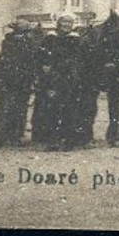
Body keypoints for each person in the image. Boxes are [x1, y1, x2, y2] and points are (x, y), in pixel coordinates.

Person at [31, 12, 87, 150]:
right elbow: (42, 54)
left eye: (69, 22)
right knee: (51, 109)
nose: (66, 25)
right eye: (64, 22)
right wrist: (44, 65)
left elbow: (80, 58)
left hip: (70, 78)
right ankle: (52, 140)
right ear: (58, 23)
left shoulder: (76, 39)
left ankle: (69, 140)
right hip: (52, 78)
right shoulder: (50, 38)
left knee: (70, 109)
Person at [90, 12, 119, 145]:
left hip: (118, 67)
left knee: (115, 100)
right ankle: (86, 132)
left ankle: (114, 134)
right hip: (99, 66)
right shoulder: (99, 35)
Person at [0, 19, 39, 146]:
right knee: (9, 107)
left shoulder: (27, 42)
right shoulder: (10, 41)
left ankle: (13, 135)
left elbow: (32, 61)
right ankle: (5, 135)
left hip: (21, 79)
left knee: (16, 107)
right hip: (11, 78)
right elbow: (4, 59)